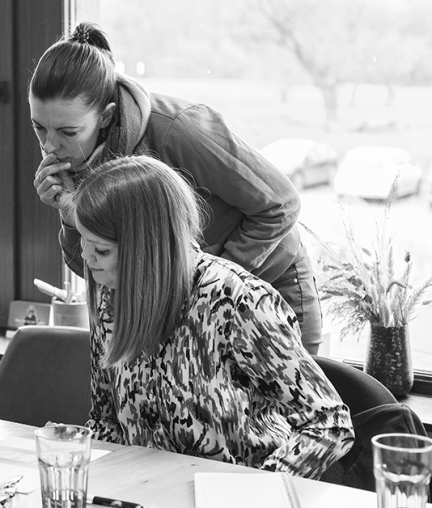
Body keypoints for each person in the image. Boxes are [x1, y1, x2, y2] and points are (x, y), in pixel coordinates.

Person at [31, 22, 324, 354]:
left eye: (67, 132)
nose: (50, 146)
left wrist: (207, 286)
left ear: (107, 116)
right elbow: (94, 268)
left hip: (268, 285)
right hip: (182, 308)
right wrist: (71, 215)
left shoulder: (178, 130)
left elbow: (280, 204)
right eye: (39, 127)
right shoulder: (76, 157)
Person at [71, 155, 352, 478]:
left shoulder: (238, 303)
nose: (85, 256)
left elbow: (329, 423)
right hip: (149, 491)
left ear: (145, 248)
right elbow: (105, 420)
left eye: (101, 249)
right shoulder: (112, 297)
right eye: (84, 240)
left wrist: (258, 493)